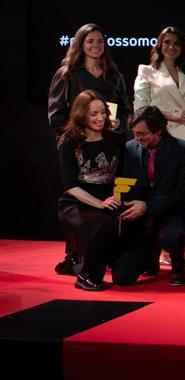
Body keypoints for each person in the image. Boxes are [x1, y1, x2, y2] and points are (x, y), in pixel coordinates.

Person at [122, 105, 185, 286]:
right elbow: (125, 182)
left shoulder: (184, 150)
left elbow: (184, 192)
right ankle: (149, 259)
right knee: (124, 276)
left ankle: (178, 265)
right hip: (139, 214)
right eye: (135, 133)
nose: (137, 138)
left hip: (171, 212)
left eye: (143, 134)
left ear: (159, 130)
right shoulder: (129, 148)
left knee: (171, 235)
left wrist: (149, 206)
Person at [55, 92, 124, 290]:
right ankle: (86, 276)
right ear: (81, 114)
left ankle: (83, 261)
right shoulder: (69, 141)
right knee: (100, 222)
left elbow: (122, 174)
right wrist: (100, 204)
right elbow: (70, 186)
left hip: (108, 197)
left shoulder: (114, 139)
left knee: (115, 223)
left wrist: (115, 199)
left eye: (103, 112)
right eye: (93, 114)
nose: (100, 118)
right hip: (76, 202)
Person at [48, 23, 130, 136]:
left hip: (109, 141)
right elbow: (56, 116)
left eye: (100, 41)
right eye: (90, 41)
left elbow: (125, 111)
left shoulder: (115, 76)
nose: (96, 45)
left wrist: (120, 123)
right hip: (78, 141)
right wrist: (75, 133)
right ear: (81, 44)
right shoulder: (66, 74)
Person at [134, 27, 185, 150]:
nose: (171, 47)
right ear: (160, 45)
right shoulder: (147, 71)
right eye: (167, 42)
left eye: (176, 43)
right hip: (159, 136)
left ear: (182, 47)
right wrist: (172, 116)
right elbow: (141, 109)